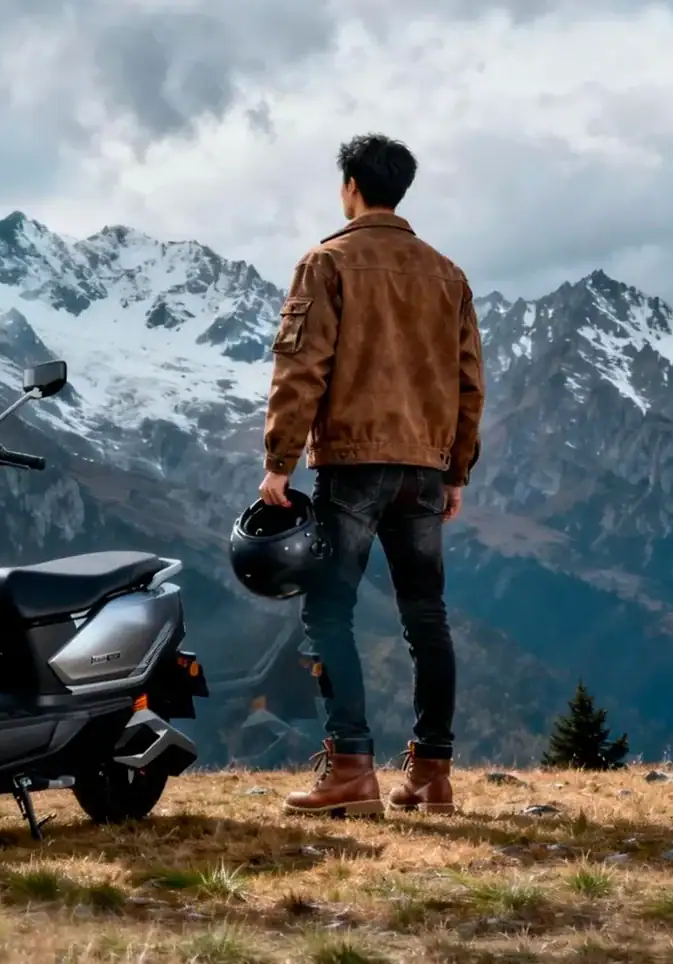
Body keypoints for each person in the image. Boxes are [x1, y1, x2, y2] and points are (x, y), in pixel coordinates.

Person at [257, 133, 485, 817]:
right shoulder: (449, 275)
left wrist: (278, 461)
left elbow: (302, 367)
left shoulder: (327, 263)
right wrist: (457, 473)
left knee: (329, 612)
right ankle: (431, 775)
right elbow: (468, 384)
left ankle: (351, 766)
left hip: (352, 464)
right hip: (424, 467)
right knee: (427, 619)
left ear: (350, 186)